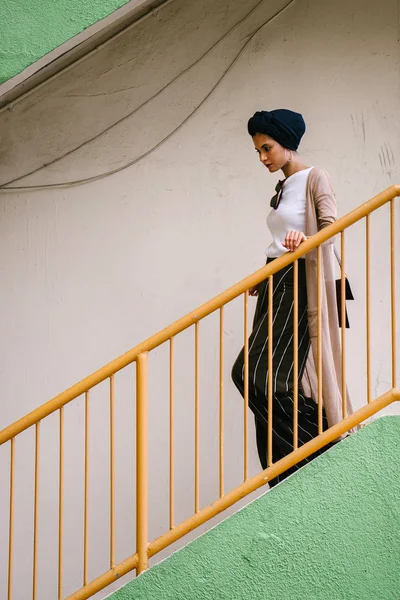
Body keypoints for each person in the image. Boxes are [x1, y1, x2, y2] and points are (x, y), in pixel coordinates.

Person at [231, 109, 352, 487]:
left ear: (287, 143)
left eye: (267, 148)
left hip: (300, 280)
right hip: (274, 280)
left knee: (272, 380)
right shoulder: (283, 187)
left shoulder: (315, 177)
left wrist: (305, 241)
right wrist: (261, 272)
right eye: (258, 151)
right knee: (248, 375)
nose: (263, 157)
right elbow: (277, 241)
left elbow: (331, 228)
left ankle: (322, 444)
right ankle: (284, 472)